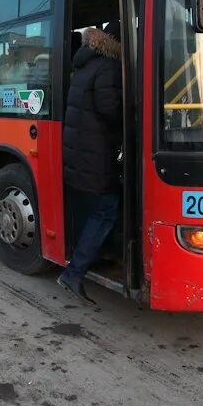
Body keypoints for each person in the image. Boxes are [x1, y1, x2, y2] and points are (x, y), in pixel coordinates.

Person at [57, 21, 123, 305]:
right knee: (107, 209)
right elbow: (110, 110)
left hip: (80, 154)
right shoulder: (108, 67)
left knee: (92, 209)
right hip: (96, 155)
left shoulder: (84, 65)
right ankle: (73, 273)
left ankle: (91, 257)